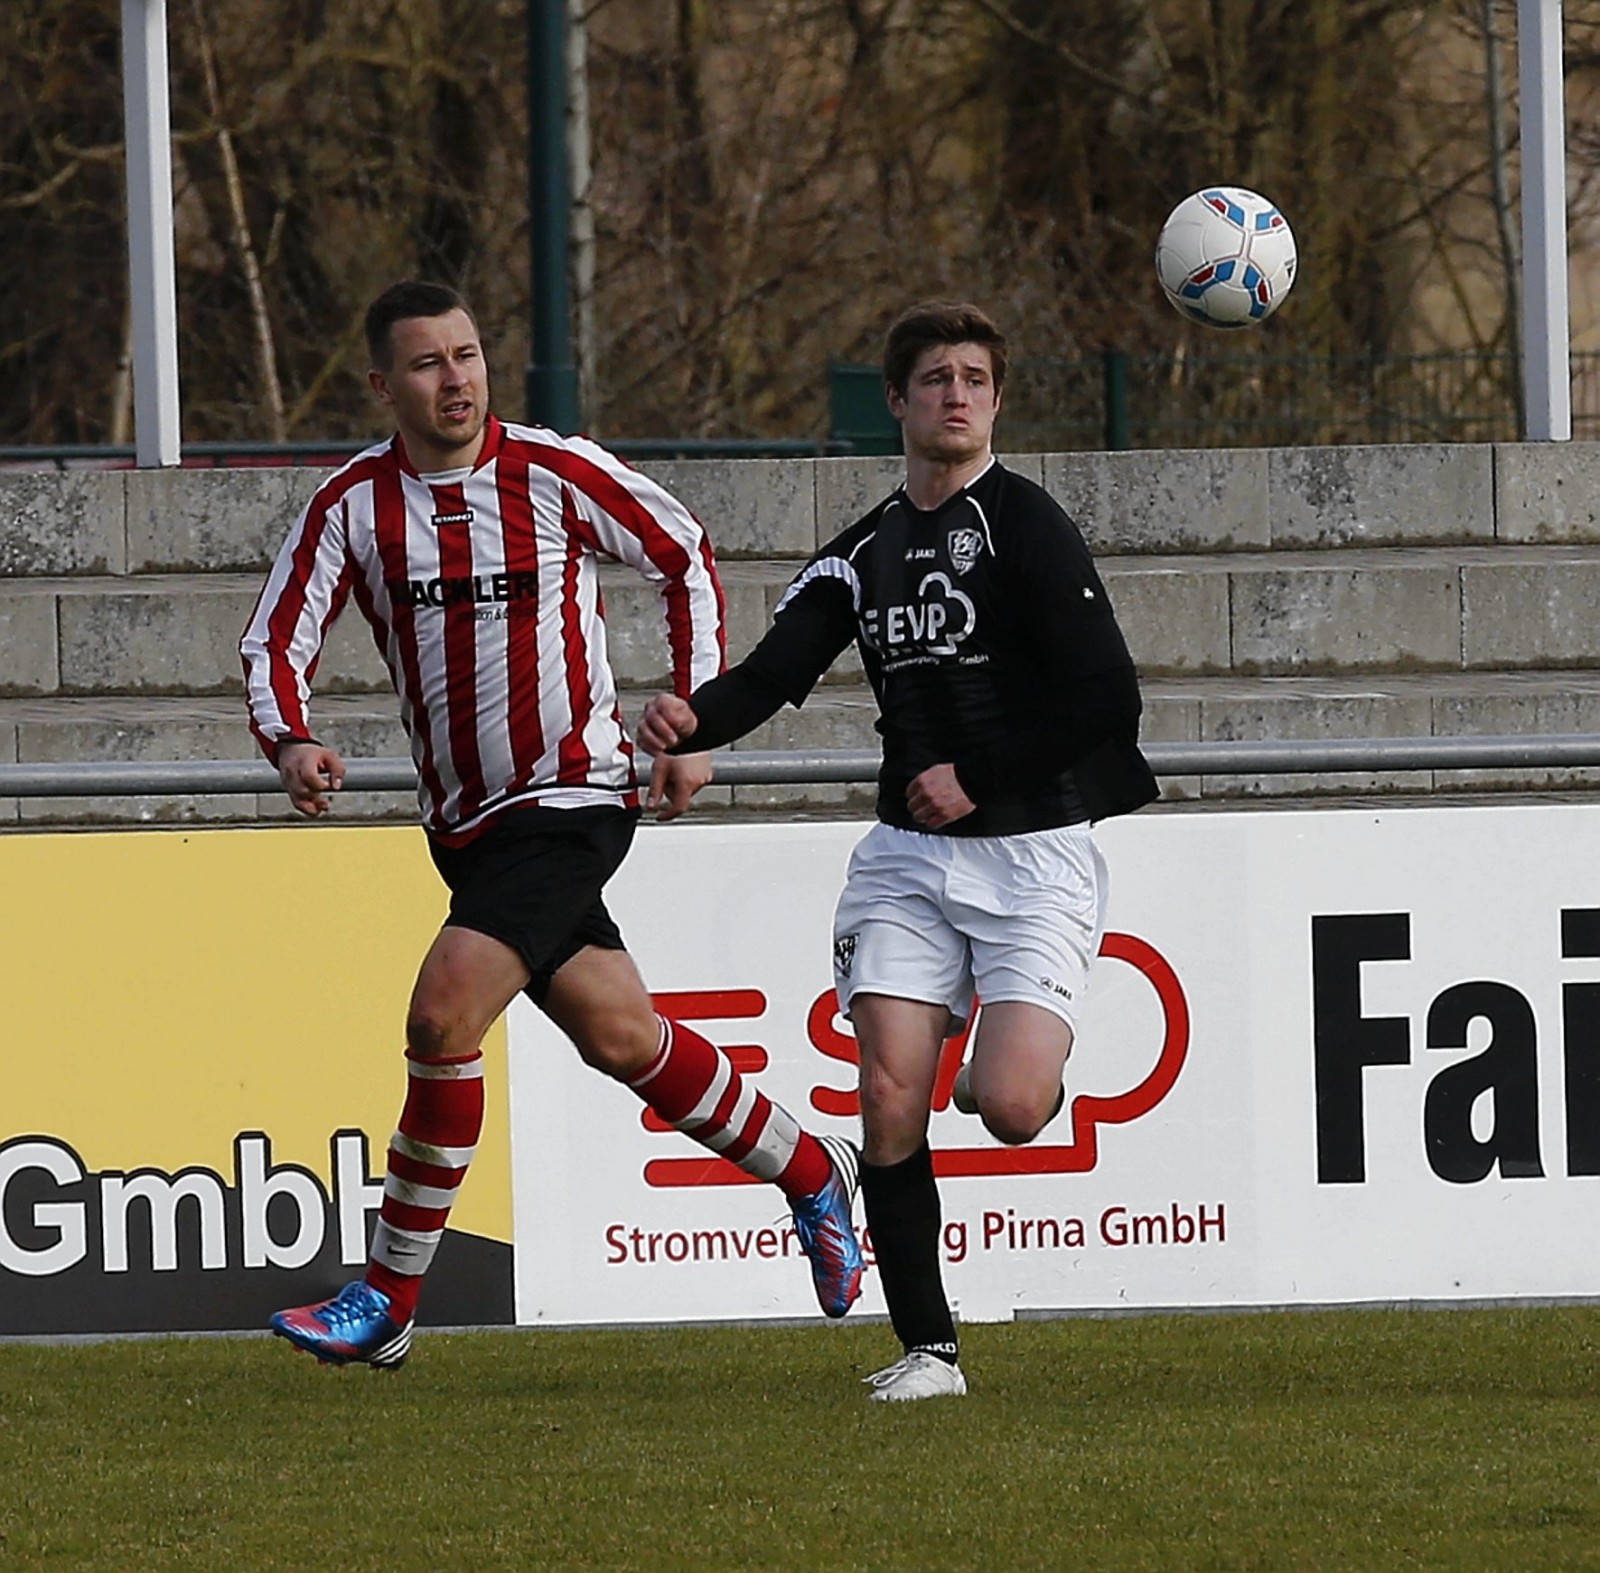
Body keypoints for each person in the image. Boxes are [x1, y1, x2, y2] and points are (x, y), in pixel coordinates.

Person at [239, 279, 863, 1369]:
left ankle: (387, 1295)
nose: (457, 378)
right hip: (467, 825)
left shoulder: (553, 470)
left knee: (441, 1017)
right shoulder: (351, 505)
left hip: (575, 793)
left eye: (470, 354)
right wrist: (290, 740)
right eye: (429, 363)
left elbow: (682, 551)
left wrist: (696, 721)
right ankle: (812, 1169)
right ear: (384, 384)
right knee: (623, 1037)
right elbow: (275, 636)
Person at [637, 301, 1158, 1402]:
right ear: (898, 400)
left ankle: (1012, 1070)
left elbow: (1109, 697)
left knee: (1011, 1107)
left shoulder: (1026, 524)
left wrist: (981, 776)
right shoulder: (862, 553)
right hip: (909, 863)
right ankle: (931, 1350)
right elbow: (773, 674)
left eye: (974, 377)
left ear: (997, 401)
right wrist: (693, 721)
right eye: (934, 378)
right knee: (886, 1094)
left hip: (1033, 852)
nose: (955, 394)